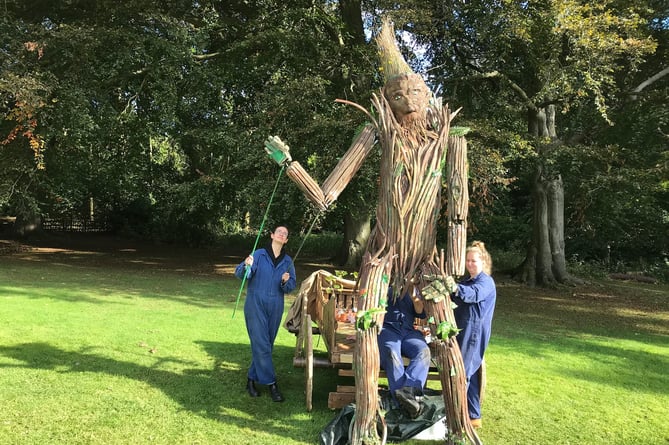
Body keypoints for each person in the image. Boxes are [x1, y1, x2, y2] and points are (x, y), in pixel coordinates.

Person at [234, 225, 297, 402]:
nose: (282, 234)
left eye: (285, 234)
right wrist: (245, 266)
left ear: (286, 240)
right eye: (279, 232)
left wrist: (286, 281)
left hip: (276, 305)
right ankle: (272, 384)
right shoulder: (259, 254)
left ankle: (251, 380)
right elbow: (242, 274)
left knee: (266, 345)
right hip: (255, 304)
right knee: (261, 344)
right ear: (272, 235)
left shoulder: (288, 261)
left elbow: (291, 286)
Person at [449, 241, 496, 428]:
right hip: (463, 331)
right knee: (473, 373)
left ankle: (458, 419)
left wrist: (454, 288)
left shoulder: (485, 282)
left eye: (473, 261)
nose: (469, 264)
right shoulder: (467, 281)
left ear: (483, 262)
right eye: (467, 260)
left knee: (463, 374)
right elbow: (458, 297)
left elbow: (472, 295)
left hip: (474, 334)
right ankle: (474, 416)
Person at [378, 286, 431, 418]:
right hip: (387, 329)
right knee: (392, 354)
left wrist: (414, 297)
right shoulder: (383, 284)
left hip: (408, 330)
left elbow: (420, 312)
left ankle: (408, 390)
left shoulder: (414, 289)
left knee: (423, 351)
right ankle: (403, 404)